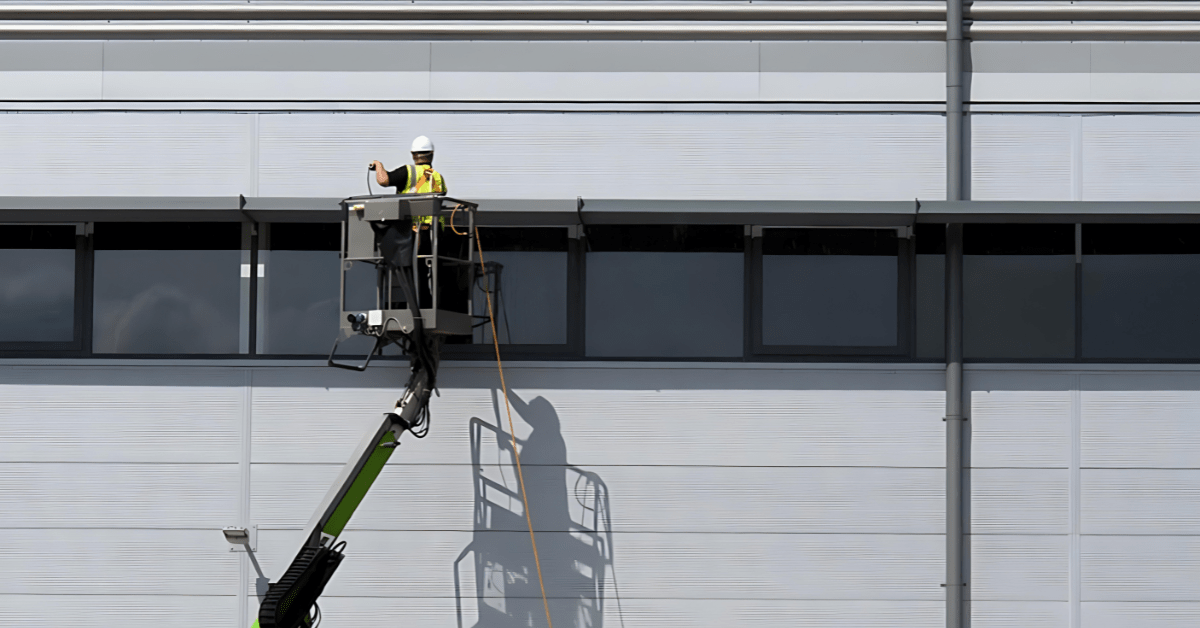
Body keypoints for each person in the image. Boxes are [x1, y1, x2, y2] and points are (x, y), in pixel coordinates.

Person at [370, 135, 447, 195]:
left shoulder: (407, 171)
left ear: (413, 154)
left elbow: (383, 180)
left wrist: (378, 165)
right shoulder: (438, 177)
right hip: (432, 216)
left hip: (410, 215)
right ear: (432, 154)